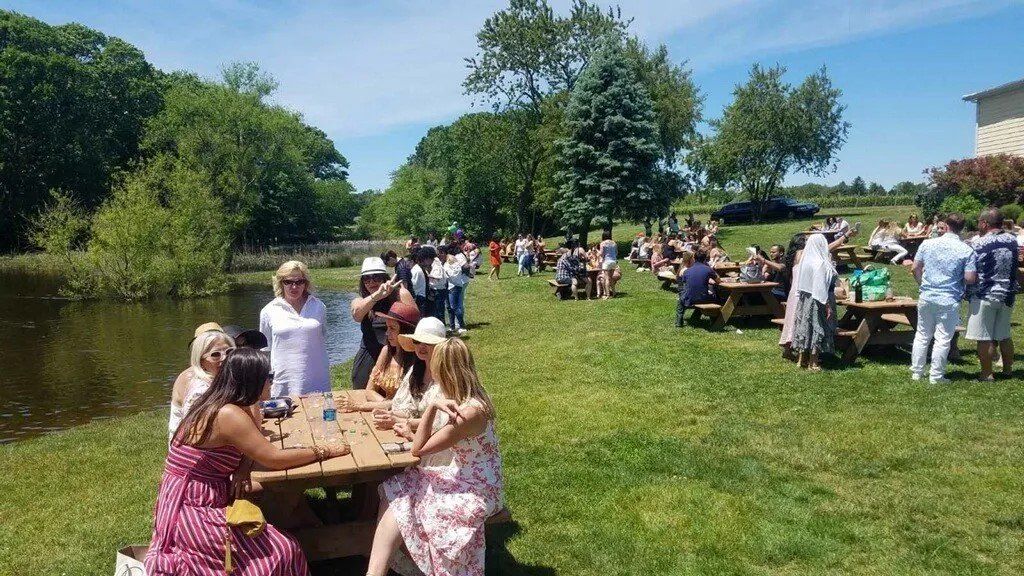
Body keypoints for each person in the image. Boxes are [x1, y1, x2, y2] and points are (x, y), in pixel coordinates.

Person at [146, 348, 348, 575]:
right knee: (284, 550)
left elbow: (252, 442)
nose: (272, 381)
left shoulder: (223, 404)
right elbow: (273, 458)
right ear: (252, 380)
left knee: (277, 522)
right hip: (193, 508)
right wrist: (325, 450)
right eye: (268, 376)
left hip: (187, 495)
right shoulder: (228, 415)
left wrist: (243, 466)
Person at [366, 338, 504, 576]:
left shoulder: (468, 413)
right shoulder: (472, 399)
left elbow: (418, 449)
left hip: (477, 486)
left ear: (446, 372)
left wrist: (431, 408)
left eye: (437, 370)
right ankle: (376, 571)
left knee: (416, 502)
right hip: (463, 474)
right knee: (400, 485)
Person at [910, 213, 977, 384]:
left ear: (945, 226)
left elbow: (915, 268)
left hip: (927, 295)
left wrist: (921, 284)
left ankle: (917, 372)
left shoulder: (927, 243)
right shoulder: (966, 250)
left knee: (922, 334)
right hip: (949, 297)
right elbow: (970, 278)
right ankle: (936, 376)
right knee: (942, 339)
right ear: (962, 228)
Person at [259, 261, 329, 397]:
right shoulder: (268, 311)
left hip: (317, 377)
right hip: (284, 380)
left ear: (306, 283)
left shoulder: (319, 306)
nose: (294, 286)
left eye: (300, 281)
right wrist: (266, 380)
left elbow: (322, 337)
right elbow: (265, 351)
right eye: (288, 282)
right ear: (280, 283)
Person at [966, 208, 1018, 381]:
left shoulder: (978, 244)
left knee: (984, 337)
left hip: (985, 294)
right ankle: (1008, 370)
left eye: (979, 222)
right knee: (1004, 334)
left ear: (985, 223)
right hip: (1008, 294)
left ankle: (986, 374)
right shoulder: (1013, 240)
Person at [342, 302, 420, 413]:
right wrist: (384, 403)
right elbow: (369, 390)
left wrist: (361, 406)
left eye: (392, 328)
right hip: (386, 411)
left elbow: (407, 402)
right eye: (387, 328)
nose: (387, 333)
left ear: (405, 331)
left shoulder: (417, 358)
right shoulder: (386, 351)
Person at [351, 257, 415, 390]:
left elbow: (415, 325)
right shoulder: (360, 301)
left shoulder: (401, 295)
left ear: (385, 277)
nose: (371, 282)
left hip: (397, 355)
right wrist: (377, 296)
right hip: (369, 355)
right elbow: (357, 315)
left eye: (376, 277)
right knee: (363, 394)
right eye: (366, 278)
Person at [169, 324, 235, 441]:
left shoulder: (219, 377)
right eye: (215, 354)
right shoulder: (196, 387)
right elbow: (196, 434)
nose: (224, 358)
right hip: (192, 447)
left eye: (229, 351)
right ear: (200, 359)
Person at [790, 234, 838, 371]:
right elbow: (820, 286)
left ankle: (801, 360)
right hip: (817, 299)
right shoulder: (820, 263)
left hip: (804, 299)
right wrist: (827, 304)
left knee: (804, 327)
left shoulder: (805, 261)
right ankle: (814, 361)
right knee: (817, 328)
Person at [677, 250, 719, 326]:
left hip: (688, 299)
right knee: (716, 297)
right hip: (703, 298)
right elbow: (718, 280)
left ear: (695, 258)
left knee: (681, 301)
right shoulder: (708, 269)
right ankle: (715, 321)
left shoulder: (687, 271)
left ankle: (679, 322)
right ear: (705, 259)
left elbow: (686, 283)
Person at [445, 242, 471, 336]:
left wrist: (466, 274)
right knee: (453, 306)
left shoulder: (456, 257)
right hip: (455, 283)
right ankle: (454, 325)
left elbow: (466, 266)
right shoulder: (455, 257)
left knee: (457, 305)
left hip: (458, 283)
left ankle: (460, 325)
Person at [410, 245, 436, 317]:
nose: (433, 261)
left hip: (423, 297)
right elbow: (413, 286)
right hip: (419, 299)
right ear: (426, 259)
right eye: (432, 259)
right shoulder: (417, 270)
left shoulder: (422, 269)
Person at [428, 245, 450, 326]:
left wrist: (428, 276)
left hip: (439, 290)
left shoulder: (436, 264)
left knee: (439, 311)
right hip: (439, 289)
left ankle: (442, 328)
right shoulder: (436, 263)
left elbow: (438, 277)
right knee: (437, 311)